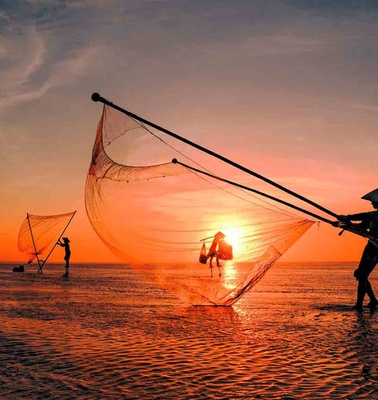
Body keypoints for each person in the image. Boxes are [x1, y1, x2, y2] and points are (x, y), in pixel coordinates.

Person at [335, 188, 378, 311]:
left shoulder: (374, 215)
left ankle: (360, 304)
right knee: (361, 275)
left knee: (362, 275)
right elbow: (361, 226)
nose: (372, 203)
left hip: (374, 248)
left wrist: (348, 218)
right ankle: (372, 300)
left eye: (373, 201)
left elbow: (365, 215)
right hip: (372, 246)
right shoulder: (372, 217)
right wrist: (340, 224)